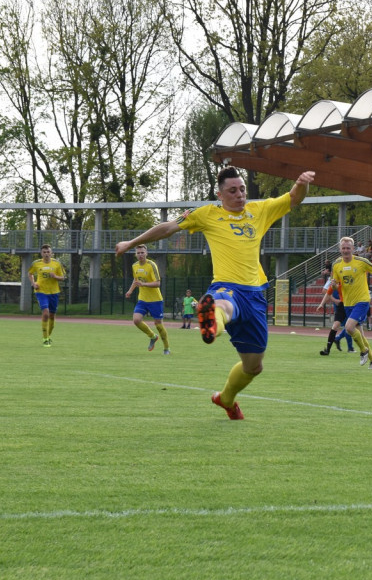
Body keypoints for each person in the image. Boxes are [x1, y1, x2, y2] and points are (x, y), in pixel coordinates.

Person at [114, 167, 315, 420]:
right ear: (219, 194)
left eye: (242, 189)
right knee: (223, 305)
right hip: (225, 287)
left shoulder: (260, 210)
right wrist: (131, 243)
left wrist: (302, 182)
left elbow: (294, 198)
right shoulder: (207, 214)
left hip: (255, 295)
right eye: (232, 191)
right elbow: (168, 228)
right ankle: (210, 318)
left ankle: (226, 398)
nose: (240, 195)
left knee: (254, 366)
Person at [329, 236, 372, 368]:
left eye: (348, 248)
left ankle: (364, 351)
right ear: (340, 249)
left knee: (349, 327)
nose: (345, 250)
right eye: (343, 248)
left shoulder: (361, 261)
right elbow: (335, 284)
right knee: (360, 334)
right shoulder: (336, 264)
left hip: (362, 300)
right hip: (348, 303)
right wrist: (333, 285)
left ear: (353, 249)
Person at [124, 244, 171, 355]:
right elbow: (136, 280)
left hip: (155, 300)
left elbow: (158, 283)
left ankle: (166, 348)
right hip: (143, 299)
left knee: (159, 325)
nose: (140, 255)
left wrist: (143, 284)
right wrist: (130, 291)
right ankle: (152, 336)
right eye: (138, 253)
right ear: (136, 254)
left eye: (142, 252)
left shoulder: (151, 265)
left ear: (146, 253)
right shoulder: (135, 266)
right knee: (136, 320)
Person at [27, 244, 66, 347]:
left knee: (52, 316)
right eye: (44, 252)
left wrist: (55, 276)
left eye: (48, 252)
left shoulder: (57, 264)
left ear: (51, 253)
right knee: (45, 313)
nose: (46, 254)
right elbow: (30, 273)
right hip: (41, 291)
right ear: (41, 253)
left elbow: (63, 277)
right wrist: (33, 283)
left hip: (54, 292)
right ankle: (45, 339)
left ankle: (48, 336)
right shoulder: (36, 264)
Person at [316, 277, 354, 355]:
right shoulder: (335, 281)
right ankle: (327, 350)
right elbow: (328, 293)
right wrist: (321, 304)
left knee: (353, 327)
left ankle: (363, 349)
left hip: (351, 304)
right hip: (342, 305)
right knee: (335, 326)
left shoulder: (347, 280)